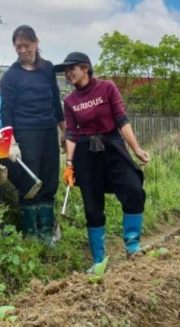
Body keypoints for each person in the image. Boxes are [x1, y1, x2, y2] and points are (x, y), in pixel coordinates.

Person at [53, 52, 150, 272]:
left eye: (72, 69)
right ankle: (99, 260)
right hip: (86, 153)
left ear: (85, 68)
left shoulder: (107, 88)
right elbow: (71, 135)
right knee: (92, 207)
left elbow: (122, 120)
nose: (68, 74)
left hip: (113, 146)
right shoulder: (69, 101)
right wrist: (69, 164)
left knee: (134, 189)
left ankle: (132, 246)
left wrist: (136, 149)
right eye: (65, 71)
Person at [0, 25, 65, 243]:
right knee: (30, 181)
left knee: (49, 179)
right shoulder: (11, 76)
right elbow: (6, 110)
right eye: (18, 46)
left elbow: (56, 101)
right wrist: (11, 141)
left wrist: (64, 131)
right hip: (25, 132)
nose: (22, 50)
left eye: (26, 45)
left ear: (36, 43)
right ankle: (30, 235)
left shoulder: (48, 69)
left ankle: (46, 231)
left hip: (48, 131)